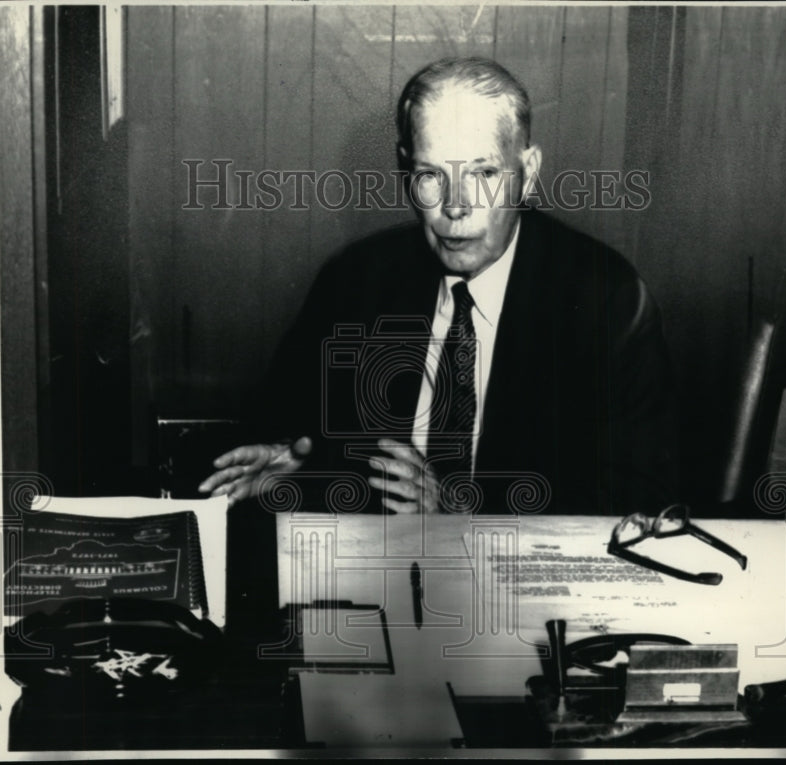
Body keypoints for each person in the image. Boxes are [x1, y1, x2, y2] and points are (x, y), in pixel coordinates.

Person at [200, 57, 678, 515]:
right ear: (405, 170)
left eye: (483, 174)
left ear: (527, 174)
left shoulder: (606, 300)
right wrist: (292, 461)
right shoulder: (356, 279)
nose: (456, 207)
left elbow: (636, 498)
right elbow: (297, 426)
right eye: (431, 175)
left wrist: (462, 511)